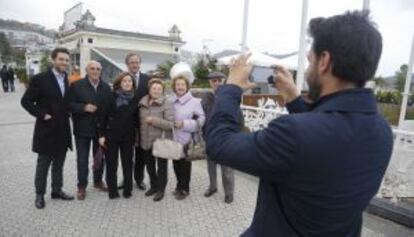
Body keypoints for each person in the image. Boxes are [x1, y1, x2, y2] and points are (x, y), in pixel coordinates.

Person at [206, 11, 393, 236]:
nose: (307, 69)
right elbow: (326, 138)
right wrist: (294, 99)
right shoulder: (382, 131)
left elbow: (218, 143)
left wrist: (231, 87)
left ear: (324, 61)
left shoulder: (292, 133)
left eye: (309, 60)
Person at [21, 48, 74, 209]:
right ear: (53, 60)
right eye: (61, 59)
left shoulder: (66, 78)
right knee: (43, 165)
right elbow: (26, 101)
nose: (64, 62)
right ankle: (39, 195)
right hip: (46, 130)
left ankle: (56, 190)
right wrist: (42, 114)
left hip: (63, 130)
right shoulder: (40, 79)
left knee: (59, 164)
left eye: (66, 60)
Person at [69, 60, 113, 200]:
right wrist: (83, 108)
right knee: (82, 159)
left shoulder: (106, 87)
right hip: (82, 130)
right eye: (92, 68)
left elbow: (108, 109)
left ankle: (98, 181)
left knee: (99, 158)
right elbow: (68, 105)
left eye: (98, 69)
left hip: (100, 131)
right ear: (87, 70)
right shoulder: (77, 85)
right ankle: (81, 186)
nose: (95, 71)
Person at [98, 72, 138, 199]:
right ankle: (113, 191)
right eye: (125, 81)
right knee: (112, 165)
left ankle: (127, 190)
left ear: (133, 84)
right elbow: (102, 117)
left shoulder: (135, 98)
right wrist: (101, 135)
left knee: (128, 164)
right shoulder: (111, 96)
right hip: (111, 136)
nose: (127, 83)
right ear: (119, 83)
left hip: (128, 137)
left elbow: (137, 120)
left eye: (130, 81)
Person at [170, 62, 205, 200]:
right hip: (173, 138)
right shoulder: (171, 100)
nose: (180, 87)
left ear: (187, 86)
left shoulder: (195, 101)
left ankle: (185, 189)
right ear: (174, 86)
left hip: (186, 139)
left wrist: (184, 124)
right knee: (176, 164)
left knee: (185, 166)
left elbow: (201, 119)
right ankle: (178, 186)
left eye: (182, 85)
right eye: (178, 85)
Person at [139, 76, 174, 202]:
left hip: (160, 142)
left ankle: (161, 190)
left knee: (162, 167)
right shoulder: (142, 103)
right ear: (149, 89)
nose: (156, 90)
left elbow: (171, 124)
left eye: (159, 88)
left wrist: (154, 120)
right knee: (149, 166)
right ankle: (153, 186)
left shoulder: (167, 103)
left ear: (163, 90)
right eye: (154, 88)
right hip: (145, 140)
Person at [202, 72, 235, 204]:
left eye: (218, 80)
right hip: (210, 137)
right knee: (211, 165)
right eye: (213, 81)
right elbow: (201, 114)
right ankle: (213, 187)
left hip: (225, 138)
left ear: (223, 81)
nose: (216, 83)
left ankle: (229, 193)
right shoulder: (206, 97)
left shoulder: (230, 97)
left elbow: (237, 118)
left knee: (227, 168)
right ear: (210, 82)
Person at [125, 52, 150, 191]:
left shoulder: (147, 80)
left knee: (141, 154)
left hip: (143, 123)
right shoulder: (123, 78)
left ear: (140, 64)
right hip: (126, 123)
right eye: (131, 62)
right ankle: (126, 178)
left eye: (136, 62)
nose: (134, 64)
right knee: (126, 154)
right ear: (127, 64)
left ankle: (139, 179)